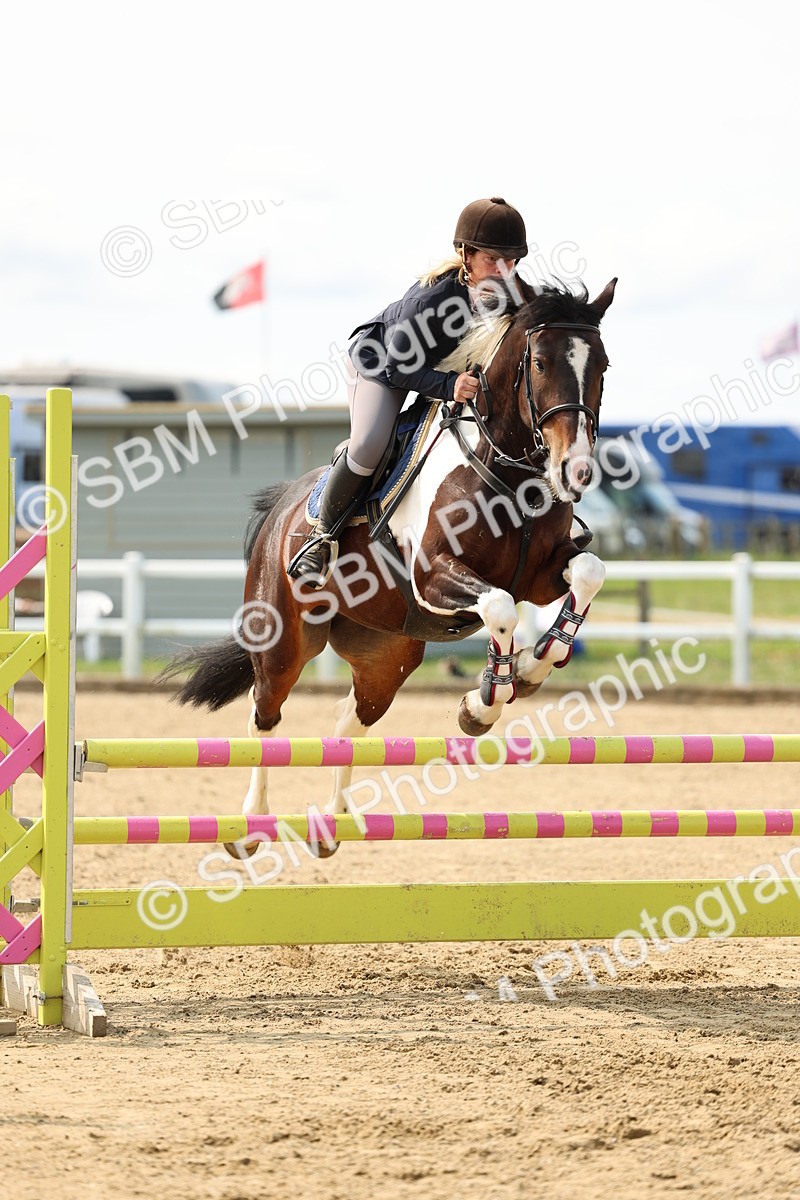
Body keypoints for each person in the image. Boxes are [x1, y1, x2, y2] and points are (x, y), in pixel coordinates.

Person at [289, 196, 529, 587]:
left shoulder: (511, 292)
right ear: (466, 255)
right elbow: (398, 369)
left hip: (434, 372)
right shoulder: (431, 301)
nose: (504, 272)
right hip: (382, 366)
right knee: (370, 445)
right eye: (492, 260)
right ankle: (322, 537)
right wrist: (452, 386)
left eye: (511, 262)